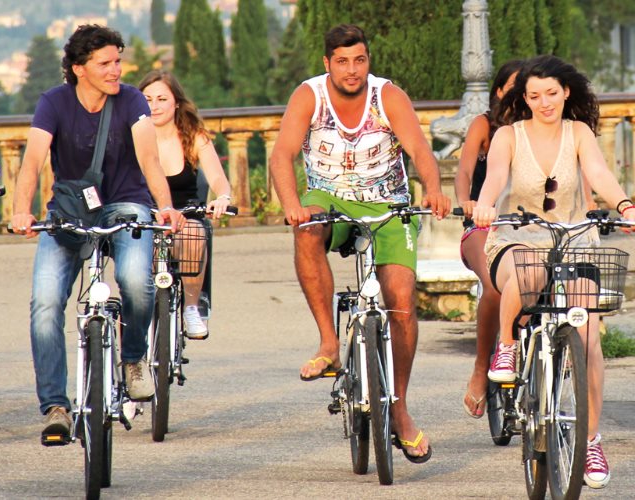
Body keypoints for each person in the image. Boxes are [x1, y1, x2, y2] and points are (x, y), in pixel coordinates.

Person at [269, 24, 450, 462]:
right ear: (327, 63)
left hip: (388, 203)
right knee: (307, 230)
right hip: (329, 200)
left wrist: (434, 188)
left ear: (368, 61)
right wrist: (293, 204)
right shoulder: (309, 95)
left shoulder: (388, 95)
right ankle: (330, 344)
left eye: (360, 60)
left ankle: (401, 408)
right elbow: (281, 155)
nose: (353, 71)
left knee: (402, 302)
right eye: (343, 61)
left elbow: (420, 150)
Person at [10, 25, 184, 442]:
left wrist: (164, 205)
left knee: (137, 283)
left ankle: (135, 358)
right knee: (46, 303)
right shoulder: (53, 102)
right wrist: (20, 210)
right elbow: (33, 161)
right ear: (78, 68)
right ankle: (55, 406)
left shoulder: (131, 101)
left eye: (118, 61)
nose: (116, 70)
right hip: (70, 209)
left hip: (126, 204)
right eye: (105, 63)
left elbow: (148, 157)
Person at [473, 54, 635, 489]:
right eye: (534, 95)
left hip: (574, 237)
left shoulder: (578, 132)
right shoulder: (509, 135)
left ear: (566, 92)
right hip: (518, 236)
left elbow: (599, 173)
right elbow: (495, 177)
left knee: (589, 337)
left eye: (551, 93)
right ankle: (506, 346)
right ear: (524, 99)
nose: (544, 103)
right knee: (528, 277)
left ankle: (591, 439)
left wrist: (624, 205)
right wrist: (486, 204)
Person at [138, 70, 232, 339]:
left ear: (176, 102)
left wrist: (223, 197)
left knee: (194, 234)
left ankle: (192, 307)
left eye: (161, 99)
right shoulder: (131, 136)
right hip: (146, 216)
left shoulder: (192, 135)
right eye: (147, 99)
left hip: (186, 214)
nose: (154, 106)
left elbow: (217, 177)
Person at [455, 59, 524, 418]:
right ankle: (482, 368)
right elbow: (465, 170)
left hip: (527, 225)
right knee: (496, 284)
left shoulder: (538, 127)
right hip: (484, 224)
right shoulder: (485, 124)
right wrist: (467, 201)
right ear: (498, 90)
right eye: (512, 86)